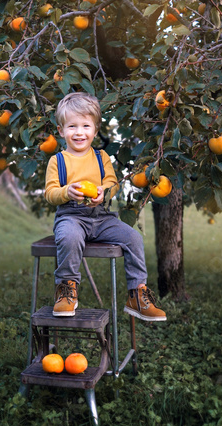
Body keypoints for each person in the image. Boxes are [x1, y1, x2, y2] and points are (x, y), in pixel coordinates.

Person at [44, 92, 166, 321]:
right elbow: (50, 194)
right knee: (69, 237)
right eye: (72, 126)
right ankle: (66, 289)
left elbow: (113, 184)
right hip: (71, 216)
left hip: (101, 217)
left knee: (134, 238)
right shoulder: (57, 161)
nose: (79, 132)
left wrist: (104, 192)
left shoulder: (102, 157)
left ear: (95, 129)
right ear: (61, 131)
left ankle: (137, 294)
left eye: (85, 126)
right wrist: (66, 191)